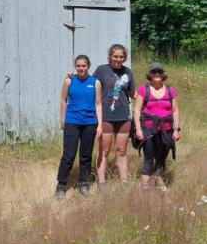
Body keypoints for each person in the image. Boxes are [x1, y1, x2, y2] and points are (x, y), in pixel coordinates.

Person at [55, 55, 102, 200]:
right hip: (72, 122)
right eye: (79, 66)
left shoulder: (95, 83)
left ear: (88, 66)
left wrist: (99, 124)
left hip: (90, 123)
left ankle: (83, 183)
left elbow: (98, 104)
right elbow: (63, 101)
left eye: (84, 66)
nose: (81, 68)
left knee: (86, 155)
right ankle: (61, 185)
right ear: (75, 66)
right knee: (68, 155)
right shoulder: (69, 81)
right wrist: (62, 119)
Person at [93, 44, 136, 187]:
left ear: (125, 58)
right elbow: (89, 84)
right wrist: (72, 78)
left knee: (121, 150)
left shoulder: (128, 72)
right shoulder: (101, 70)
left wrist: (153, 91)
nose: (118, 59)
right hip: (105, 116)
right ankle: (101, 182)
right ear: (110, 56)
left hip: (124, 116)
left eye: (121, 57)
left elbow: (132, 93)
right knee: (104, 150)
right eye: (115, 56)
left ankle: (124, 182)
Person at [134, 63, 180, 190]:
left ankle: (160, 185)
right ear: (150, 74)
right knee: (148, 157)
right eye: (154, 72)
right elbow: (137, 110)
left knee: (161, 158)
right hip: (147, 129)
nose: (157, 74)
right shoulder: (144, 89)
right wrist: (138, 129)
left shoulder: (171, 91)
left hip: (166, 130)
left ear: (164, 74)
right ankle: (145, 188)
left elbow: (175, 111)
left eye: (160, 72)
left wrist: (176, 130)